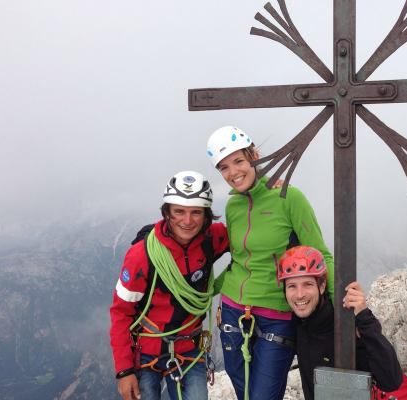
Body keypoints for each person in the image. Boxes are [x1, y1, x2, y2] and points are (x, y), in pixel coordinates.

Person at [206, 126, 334, 399]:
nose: (233, 173)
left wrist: (342, 315)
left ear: (254, 156)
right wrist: (204, 291)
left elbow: (320, 255)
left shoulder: (289, 197)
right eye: (224, 167)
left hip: (277, 315)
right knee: (244, 394)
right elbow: (239, 259)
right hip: (232, 312)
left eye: (239, 161)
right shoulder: (233, 207)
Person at [109, 171, 229, 400]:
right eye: (179, 212)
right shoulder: (141, 255)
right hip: (146, 355)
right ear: (167, 213)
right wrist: (124, 371)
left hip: (189, 350)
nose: (187, 221)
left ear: (206, 216)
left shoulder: (210, 239)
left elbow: (249, 232)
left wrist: (265, 191)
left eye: (196, 212)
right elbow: (121, 313)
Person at [277, 245, 407, 400]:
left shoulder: (345, 326)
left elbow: (391, 380)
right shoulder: (298, 324)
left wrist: (364, 316)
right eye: (292, 286)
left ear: (321, 287)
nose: (299, 294)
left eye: (307, 284)